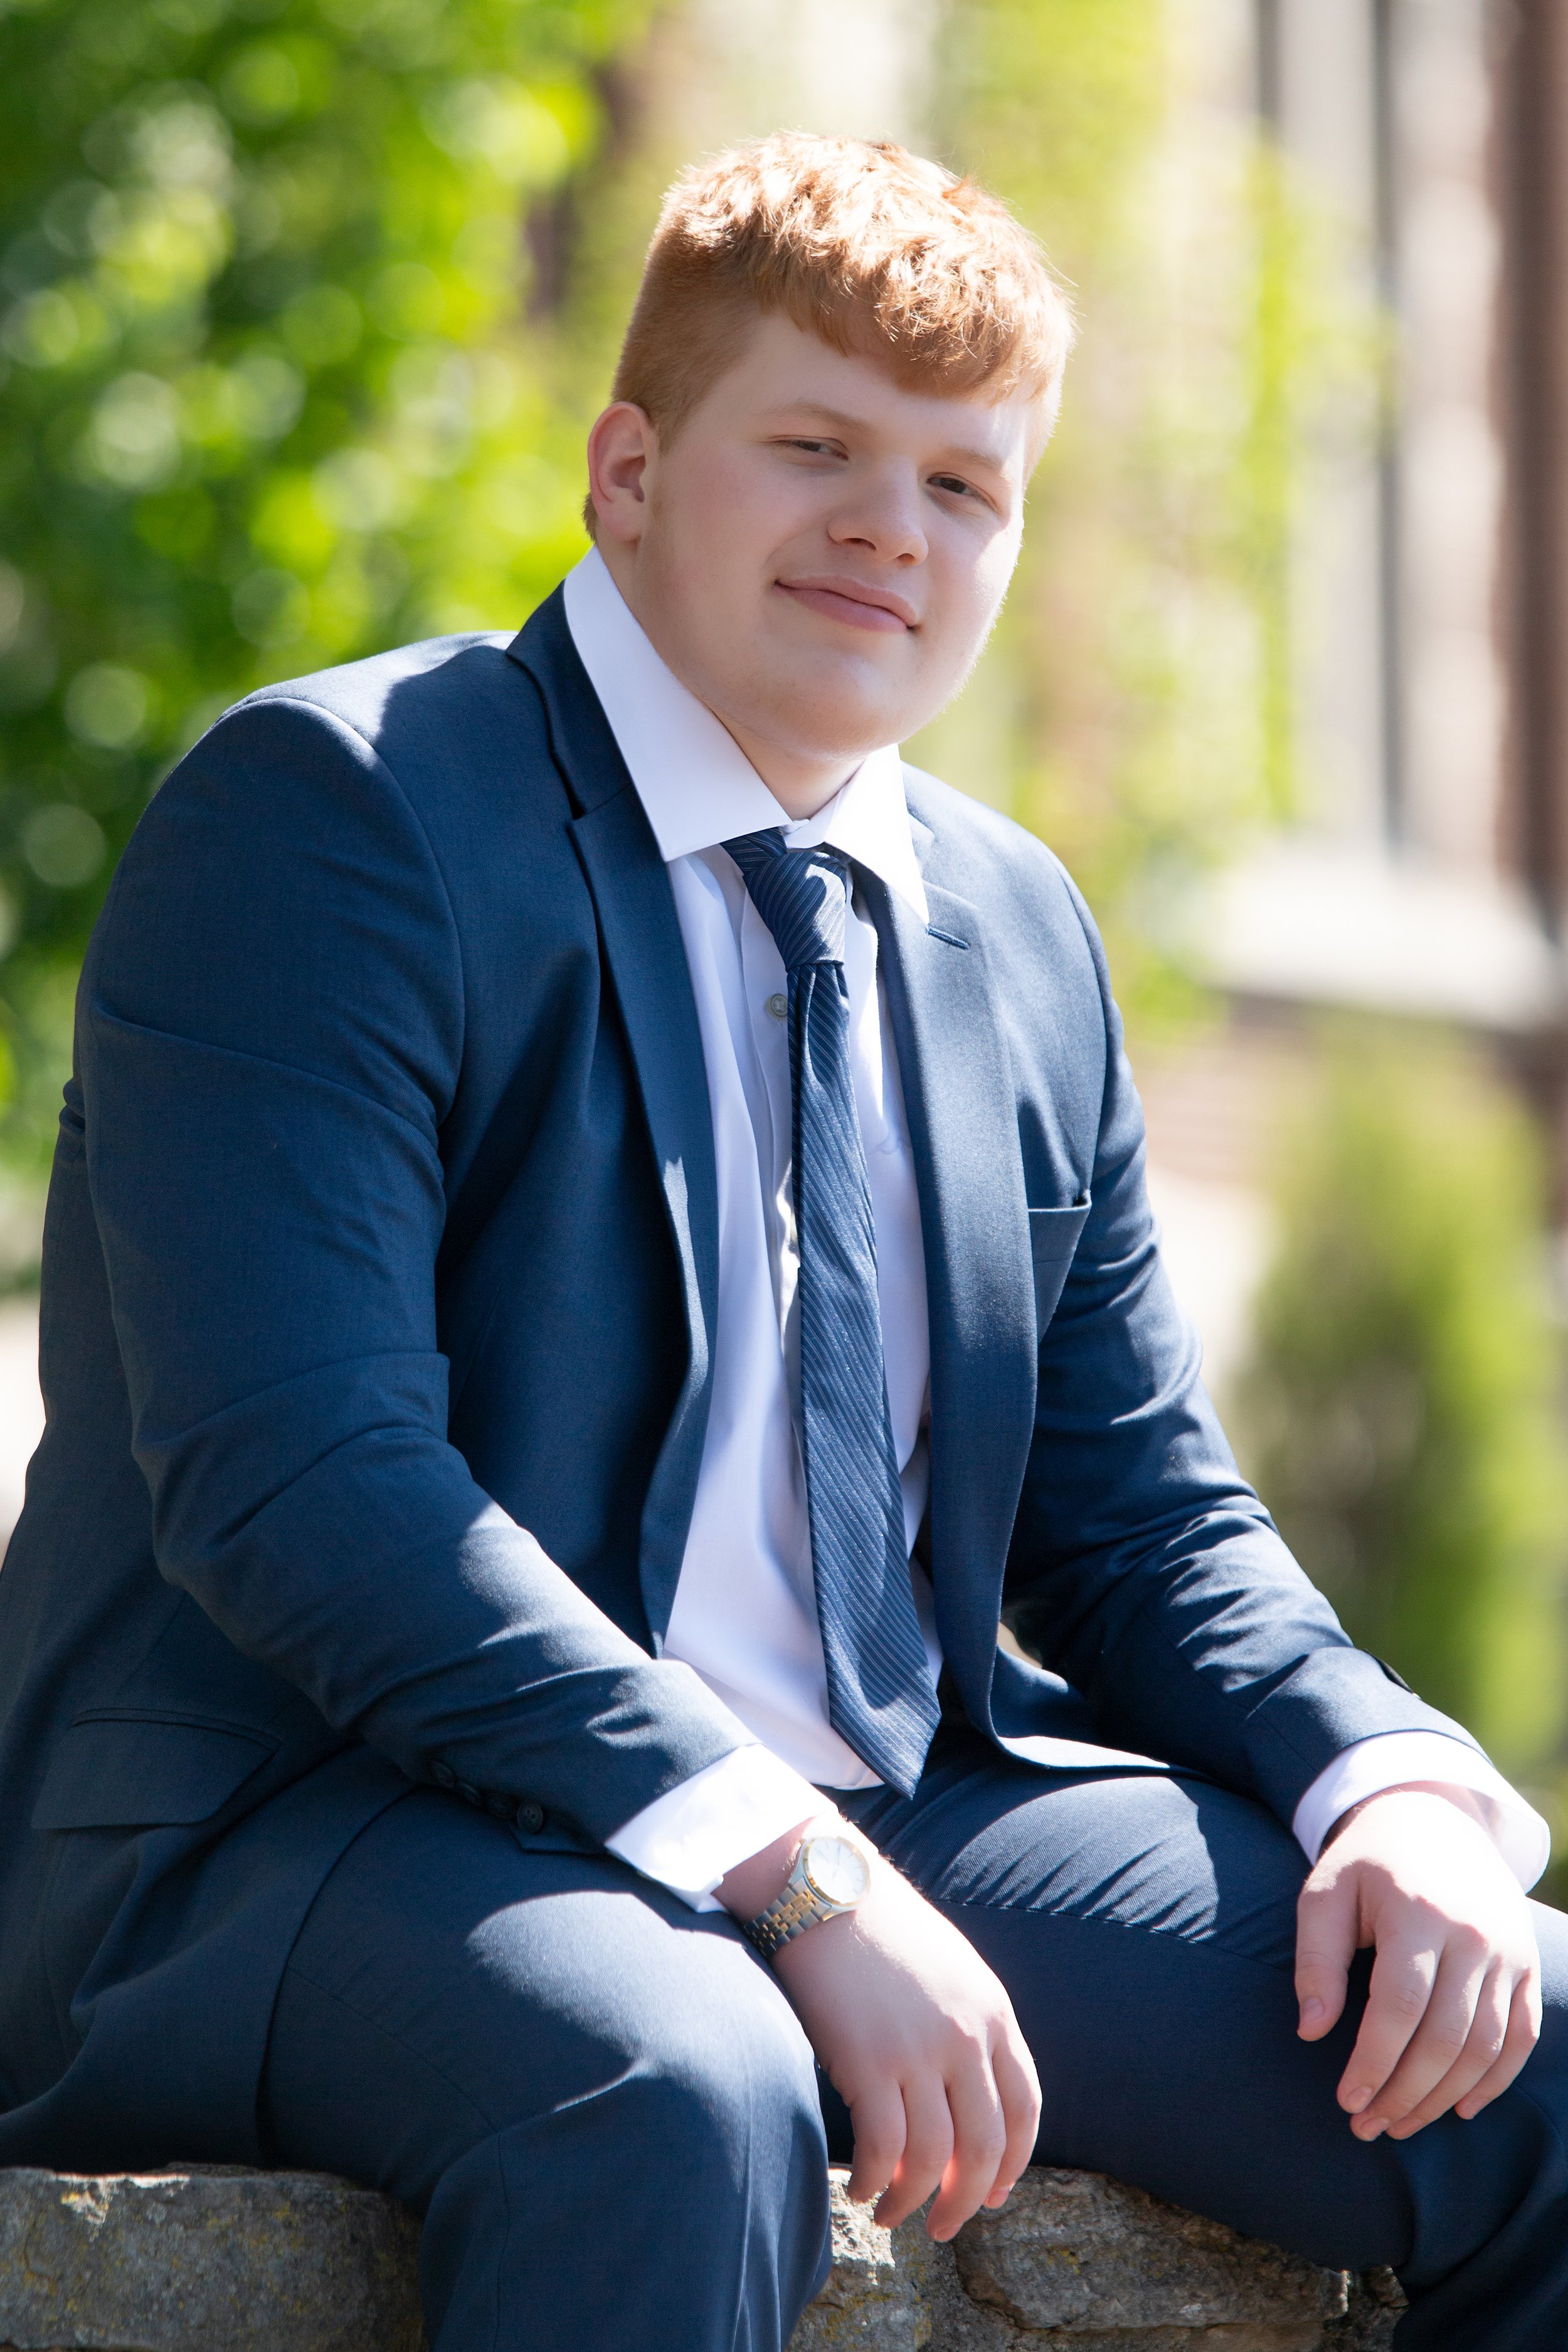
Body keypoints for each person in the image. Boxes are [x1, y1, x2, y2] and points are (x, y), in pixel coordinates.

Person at [0, 129, 1564, 2351]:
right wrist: (783, 1867)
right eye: (815, 446)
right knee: (680, 2083)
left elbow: (1132, 1517)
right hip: (315, 1822)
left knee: (1533, 2043)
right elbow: (308, 1488)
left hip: (887, 1809)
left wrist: (1379, 1777)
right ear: (625, 469)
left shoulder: (1015, 927)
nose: (888, 529)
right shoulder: (335, 818)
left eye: (962, 485)